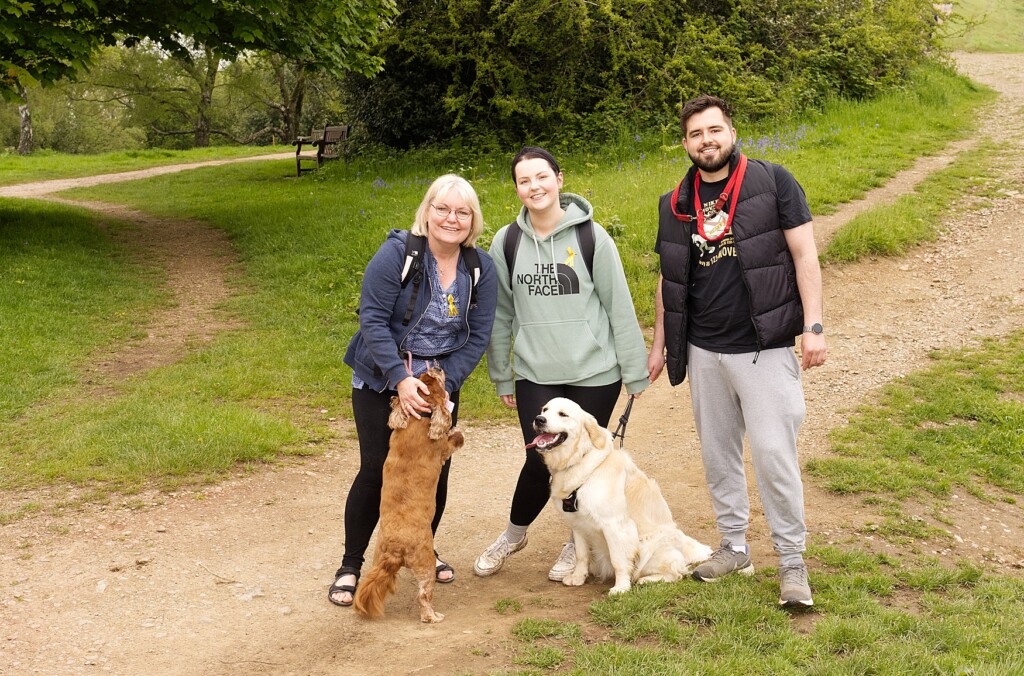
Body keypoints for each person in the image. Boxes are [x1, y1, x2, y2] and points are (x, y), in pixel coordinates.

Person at [647, 95, 826, 608]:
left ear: (731, 132)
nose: (707, 140)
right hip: (703, 350)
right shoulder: (673, 203)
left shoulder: (773, 182)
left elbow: (804, 254)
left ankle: (792, 561)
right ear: (685, 143)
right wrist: (659, 346)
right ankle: (733, 547)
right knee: (718, 455)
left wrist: (813, 326)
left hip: (763, 347)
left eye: (715, 130)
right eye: (696, 134)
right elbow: (670, 278)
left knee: (774, 455)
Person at [474, 146, 650, 581]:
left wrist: (635, 371)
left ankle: (577, 547)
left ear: (559, 179)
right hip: (536, 373)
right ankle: (513, 536)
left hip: (596, 374)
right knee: (541, 460)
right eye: (523, 180)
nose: (533, 187)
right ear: (516, 188)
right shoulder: (507, 242)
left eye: (541, 177)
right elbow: (500, 315)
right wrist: (503, 374)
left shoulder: (593, 237)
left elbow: (619, 308)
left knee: (583, 464)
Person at [328, 174, 498, 607]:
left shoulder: (480, 268)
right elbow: (372, 318)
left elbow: (478, 336)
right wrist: (401, 381)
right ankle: (350, 565)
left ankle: (424, 546)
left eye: (462, 212)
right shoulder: (397, 254)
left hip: (436, 386)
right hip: (382, 376)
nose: (451, 218)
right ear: (427, 211)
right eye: (442, 208)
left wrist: (445, 387)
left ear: (473, 221)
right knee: (375, 470)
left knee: (431, 473)